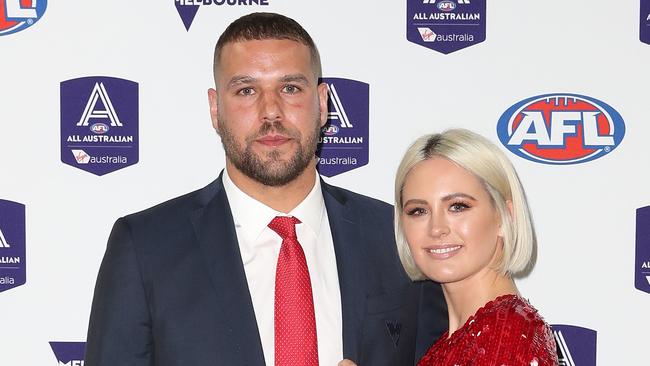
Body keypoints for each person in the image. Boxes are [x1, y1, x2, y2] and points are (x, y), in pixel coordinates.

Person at [84, 12, 447, 366]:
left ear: (322, 104)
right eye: (246, 90)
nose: (270, 111)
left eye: (290, 88)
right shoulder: (146, 247)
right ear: (215, 109)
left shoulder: (396, 235)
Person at [395, 129, 558, 365]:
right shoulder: (461, 337)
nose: (436, 228)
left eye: (458, 206)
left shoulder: (506, 334)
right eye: (418, 211)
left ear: (505, 217)